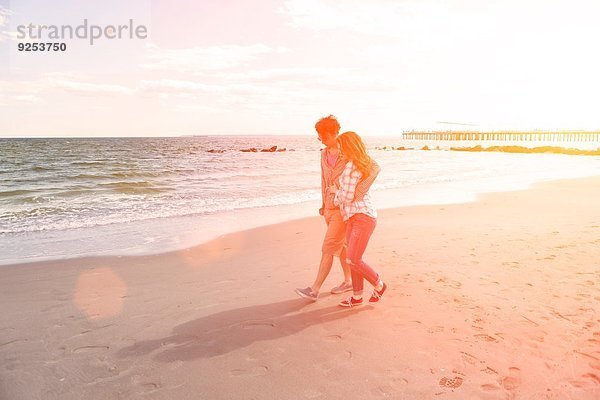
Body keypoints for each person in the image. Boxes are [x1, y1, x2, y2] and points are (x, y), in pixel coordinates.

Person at [295, 116, 380, 302]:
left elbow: (373, 167)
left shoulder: (349, 152)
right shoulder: (324, 154)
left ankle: (314, 289)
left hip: (344, 208)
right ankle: (349, 281)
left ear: (335, 133)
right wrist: (323, 204)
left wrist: (360, 191)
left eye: (324, 137)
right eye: (319, 137)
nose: (321, 140)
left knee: (328, 247)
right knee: (342, 247)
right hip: (329, 208)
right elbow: (324, 180)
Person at [333, 131, 386, 307]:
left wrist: (335, 194)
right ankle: (356, 297)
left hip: (361, 217)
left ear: (348, 147)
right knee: (353, 260)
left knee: (353, 260)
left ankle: (379, 285)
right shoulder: (359, 163)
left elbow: (347, 197)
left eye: (341, 147)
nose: (339, 150)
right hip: (356, 217)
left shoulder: (351, 166)